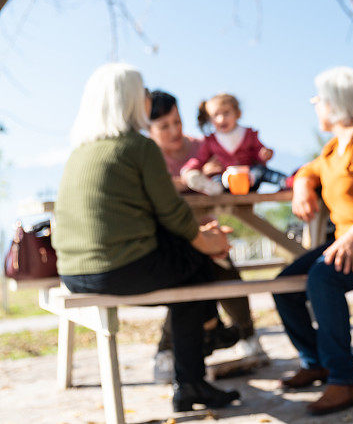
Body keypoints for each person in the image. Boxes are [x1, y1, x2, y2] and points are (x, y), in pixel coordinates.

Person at [53, 64, 240, 412]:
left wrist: (198, 237)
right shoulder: (137, 147)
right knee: (198, 267)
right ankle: (194, 375)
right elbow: (172, 212)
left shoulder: (80, 150)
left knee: (190, 271)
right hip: (118, 270)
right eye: (141, 92)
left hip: (74, 274)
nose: (146, 98)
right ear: (127, 99)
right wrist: (207, 242)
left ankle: (201, 353)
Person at [273, 66, 353, 416]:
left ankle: (346, 380)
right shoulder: (332, 147)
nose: (314, 104)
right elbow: (309, 169)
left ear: (336, 102)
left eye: (318, 99)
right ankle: (318, 363)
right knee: (284, 286)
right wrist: (301, 184)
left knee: (323, 277)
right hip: (346, 242)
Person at [148, 90, 268, 384]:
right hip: (170, 241)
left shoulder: (202, 145)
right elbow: (153, 189)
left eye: (177, 121)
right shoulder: (147, 155)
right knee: (193, 273)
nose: (175, 131)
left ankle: (244, 335)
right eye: (164, 126)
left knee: (221, 263)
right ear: (149, 129)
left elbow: (232, 168)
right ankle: (169, 349)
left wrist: (218, 173)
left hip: (208, 234)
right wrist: (190, 180)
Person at [181, 93, 286, 194]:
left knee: (261, 171)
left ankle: (286, 182)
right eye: (215, 115)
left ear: (237, 113)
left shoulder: (249, 134)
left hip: (249, 177)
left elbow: (259, 150)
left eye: (226, 113)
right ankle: (213, 188)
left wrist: (264, 153)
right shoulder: (210, 141)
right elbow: (200, 159)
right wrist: (189, 169)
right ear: (210, 119)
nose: (221, 119)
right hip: (226, 179)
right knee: (217, 179)